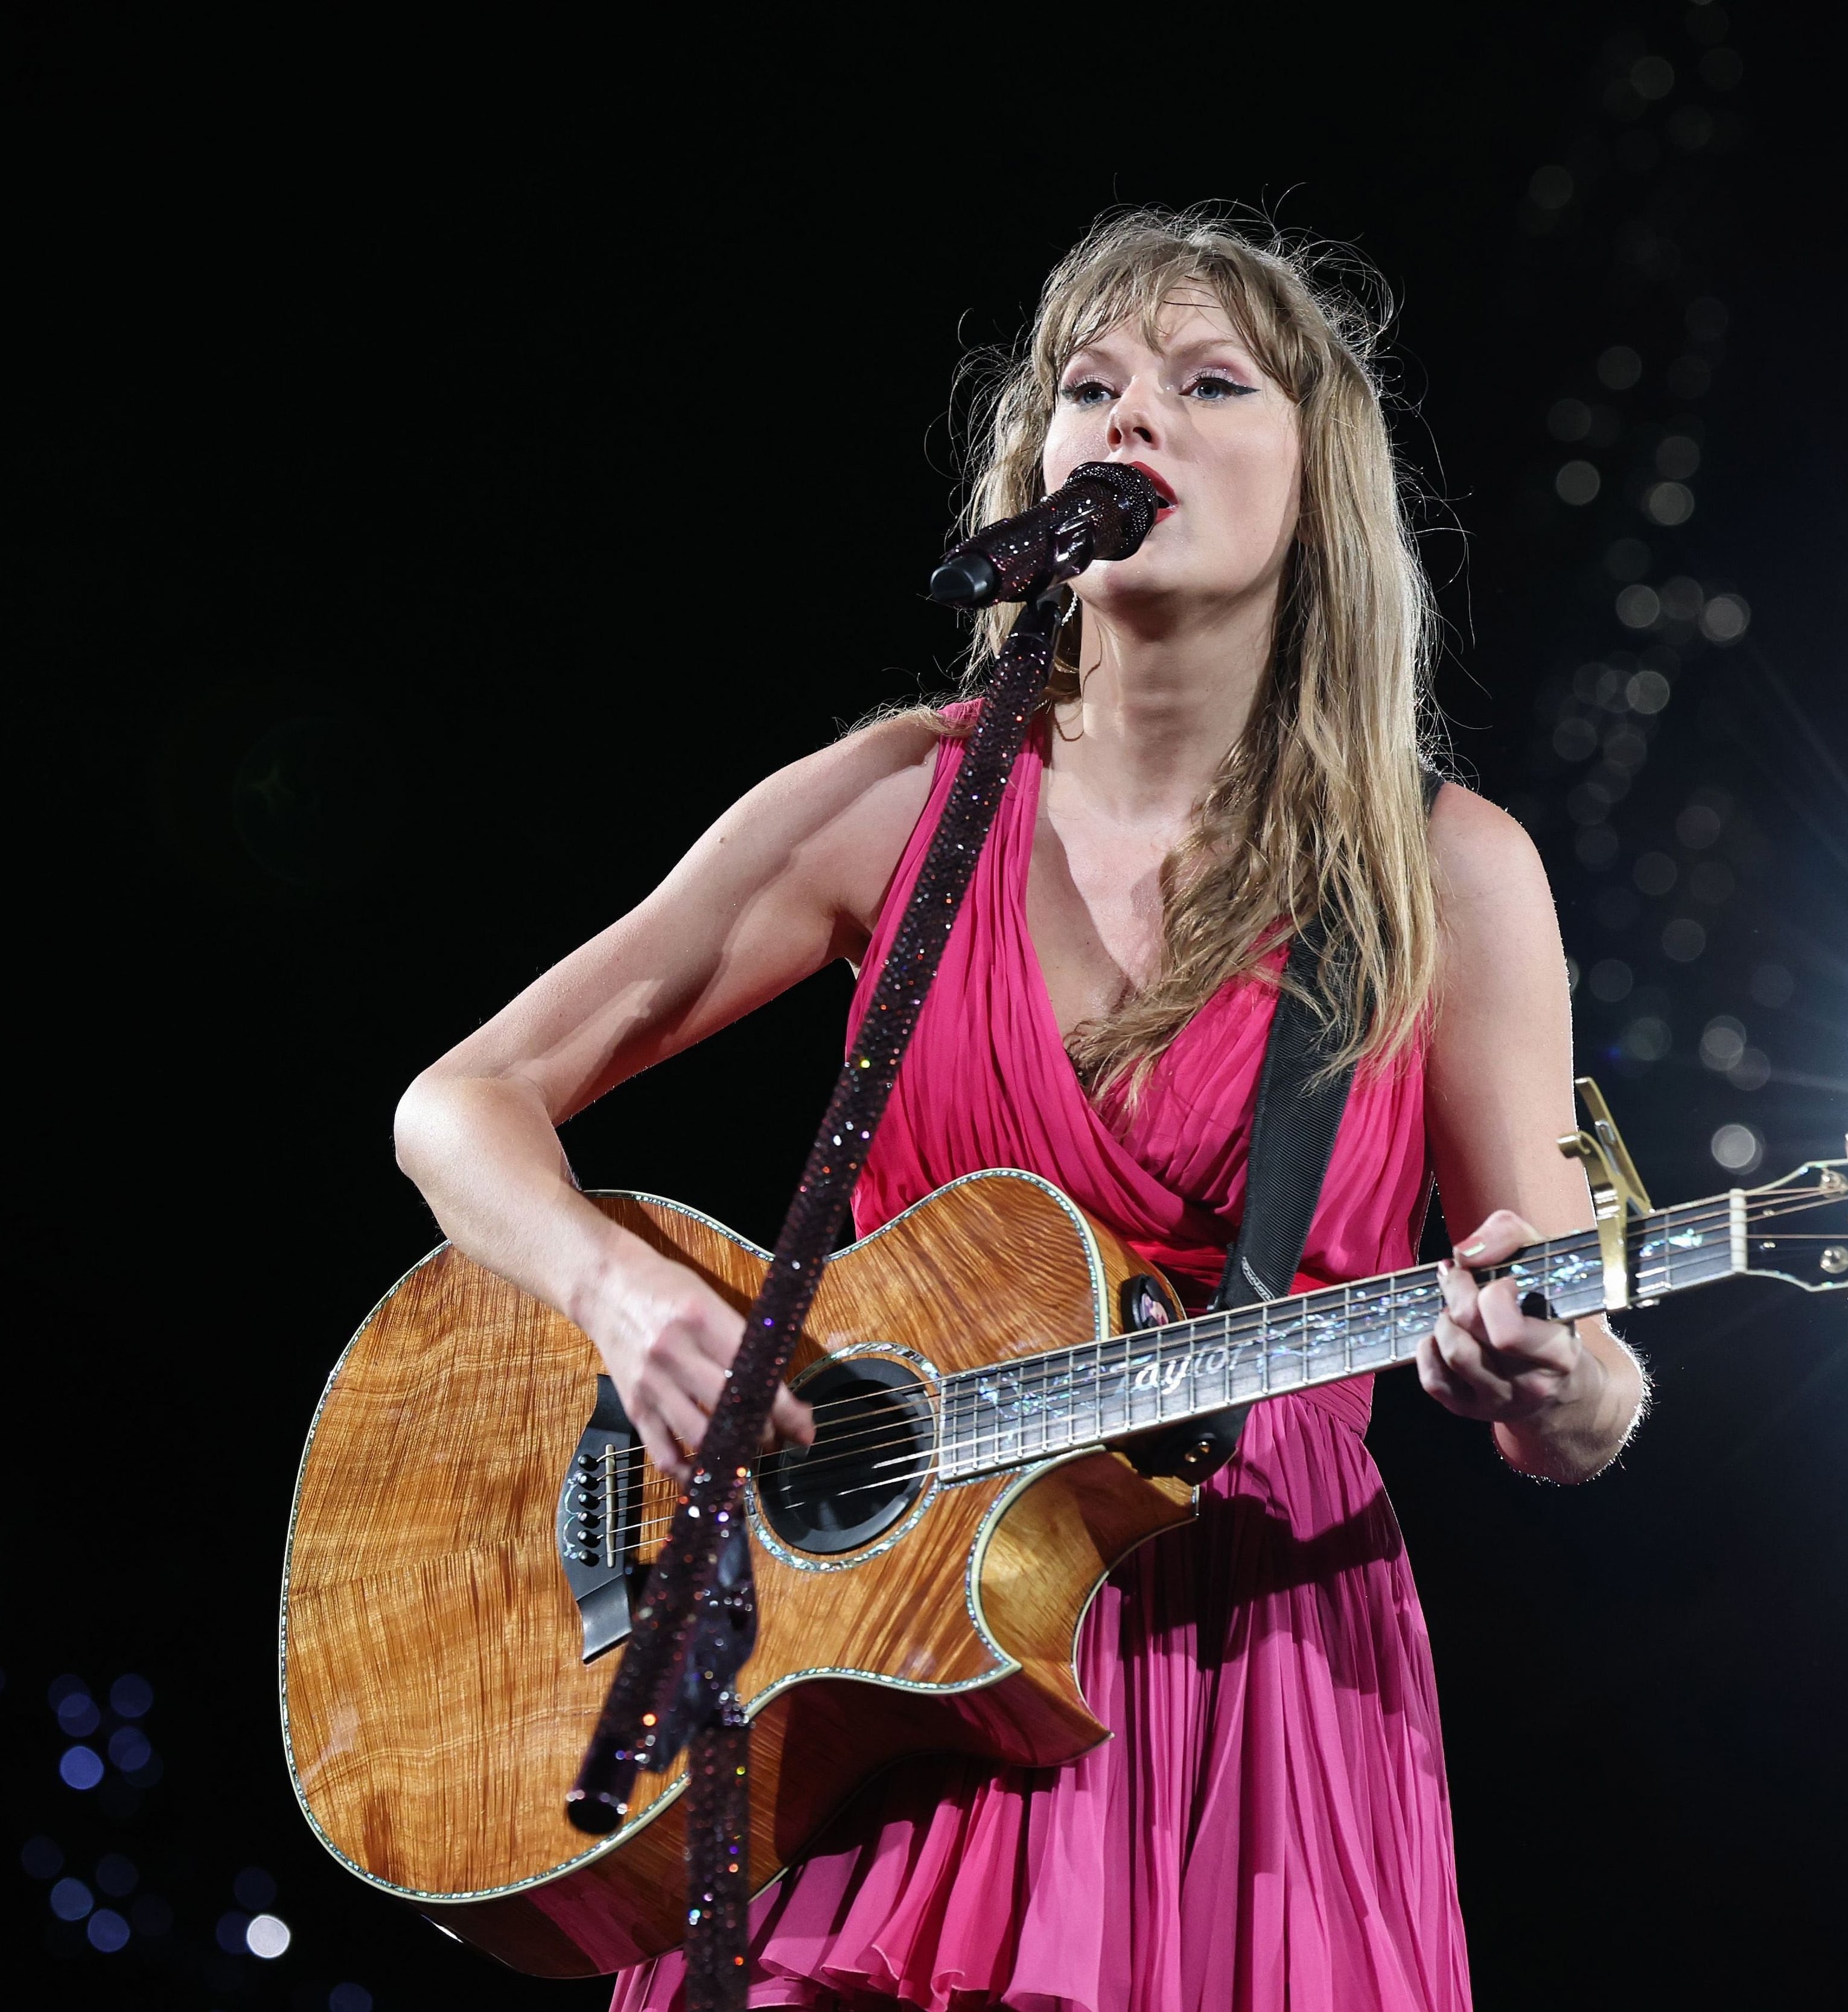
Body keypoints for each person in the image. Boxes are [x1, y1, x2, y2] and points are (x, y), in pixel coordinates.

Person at [392, 207, 1651, 2012]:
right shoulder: (899, 805)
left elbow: (1577, 1384)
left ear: (1321, 494)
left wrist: (1566, 1376)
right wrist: (637, 1304)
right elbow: (461, 1104)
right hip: (870, 1669)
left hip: (1242, 1690)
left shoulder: (1442, 877)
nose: (1129, 419)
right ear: (1039, 472)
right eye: (1089, 386)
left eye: (1208, 383)